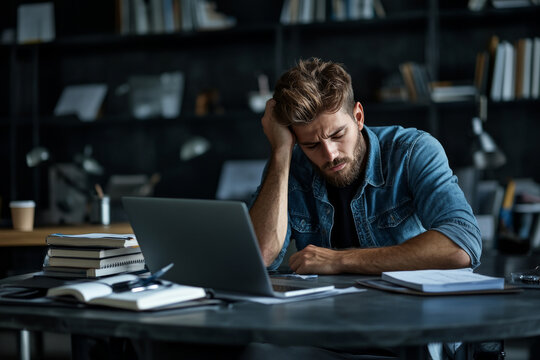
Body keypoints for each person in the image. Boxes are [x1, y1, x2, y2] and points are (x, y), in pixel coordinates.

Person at [249, 58, 481, 275]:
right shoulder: (290, 164)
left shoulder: (412, 151)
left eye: (338, 134)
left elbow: (462, 243)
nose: (330, 154)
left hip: (405, 311)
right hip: (319, 314)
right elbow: (258, 257)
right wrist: (280, 152)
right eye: (311, 145)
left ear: (358, 116)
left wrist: (340, 260)